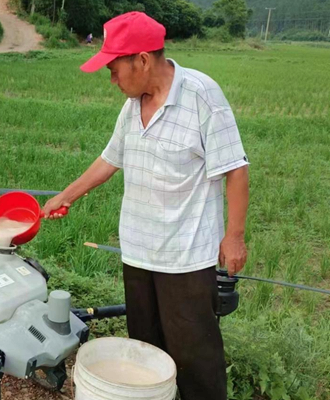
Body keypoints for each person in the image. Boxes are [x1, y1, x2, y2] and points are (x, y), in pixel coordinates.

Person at [43, 12, 249, 400]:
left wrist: (234, 236)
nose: (112, 79)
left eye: (114, 68)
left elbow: (235, 171)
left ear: (141, 60)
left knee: (195, 359)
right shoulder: (131, 107)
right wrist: (66, 195)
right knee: (146, 351)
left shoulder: (203, 96)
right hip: (138, 251)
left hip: (185, 258)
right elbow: (110, 160)